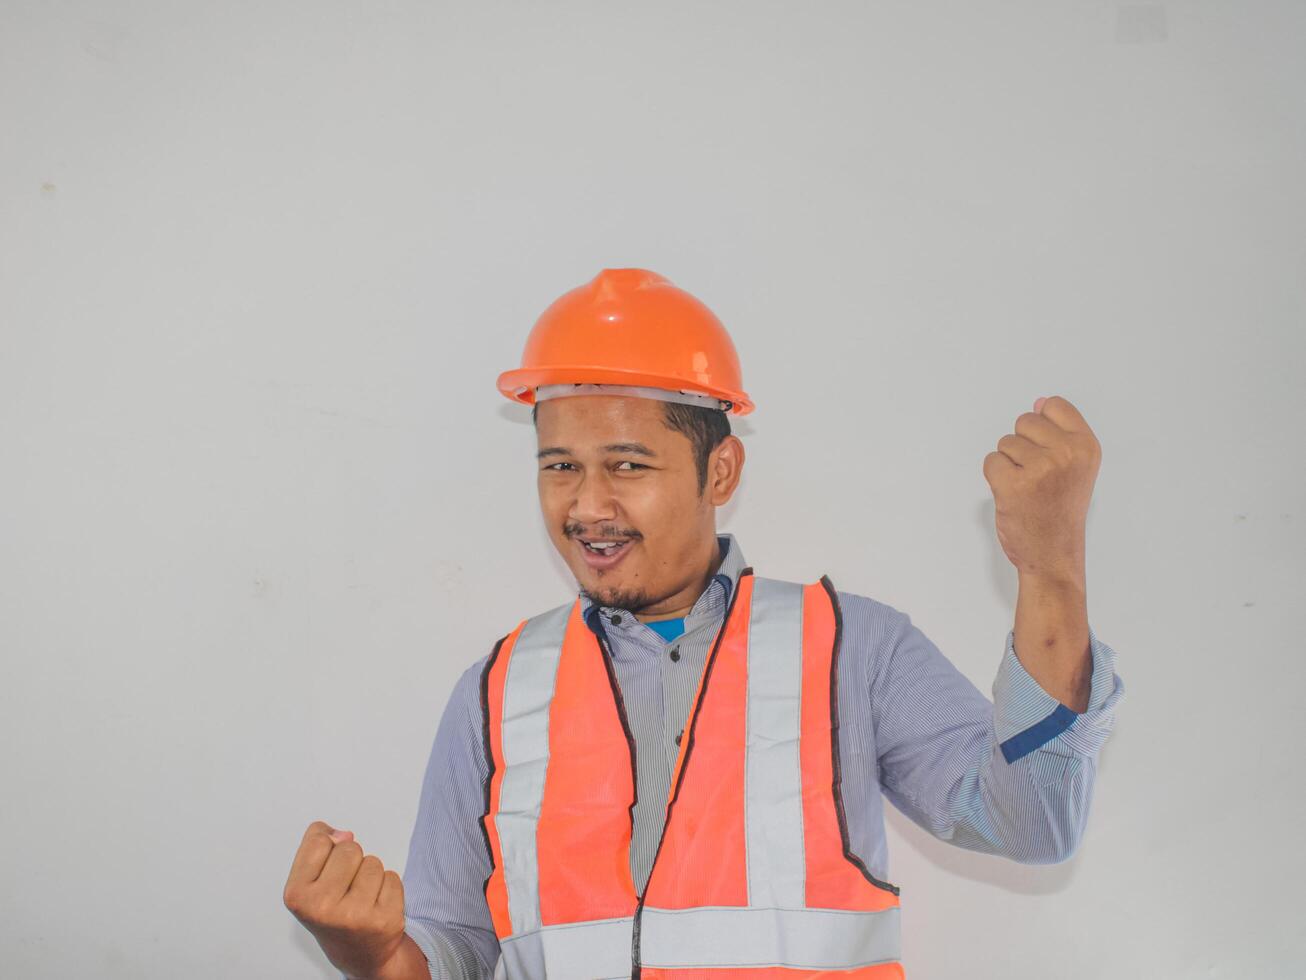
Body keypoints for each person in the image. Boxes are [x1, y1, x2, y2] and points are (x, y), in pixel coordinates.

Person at [283, 268, 1126, 980]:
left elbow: (1035, 824)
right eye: (559, 467)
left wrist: (1052, 573)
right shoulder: (498, 691)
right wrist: (377, 952)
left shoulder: (852, 650)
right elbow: (456, 949)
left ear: (719, 468)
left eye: (627, 465)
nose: (587, 505)